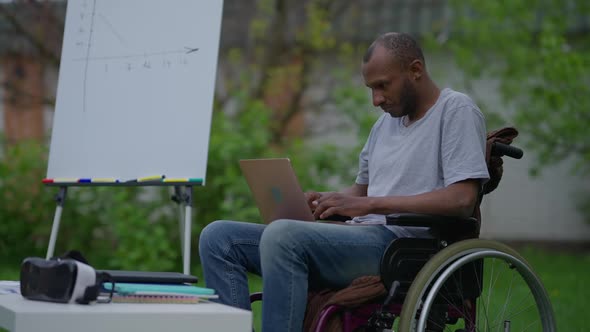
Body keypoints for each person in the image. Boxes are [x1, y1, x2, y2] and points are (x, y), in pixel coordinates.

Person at [198, 32, 489, 331]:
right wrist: (328, 201)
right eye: (371, 88)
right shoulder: (384, 125)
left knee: (282, 236)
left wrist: (367, 205)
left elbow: (462, 199)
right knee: (219, 238)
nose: (376, 100)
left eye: (382, 86)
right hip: (361, 239)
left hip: (404, 249)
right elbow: (361, 190)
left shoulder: (456, 111)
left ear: (415, 70)